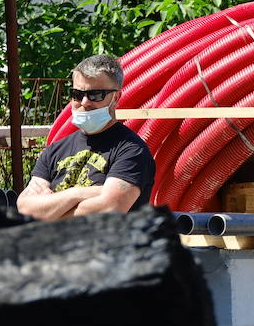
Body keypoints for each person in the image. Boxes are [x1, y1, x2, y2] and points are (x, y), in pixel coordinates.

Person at [17, 54, 154, 221]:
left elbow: (109, 210)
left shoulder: (131, 150)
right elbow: (25, 209)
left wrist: (49, 213)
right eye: (77, 94)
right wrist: (77, 193)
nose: (84, 102)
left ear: (116, 97)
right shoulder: (55, 150)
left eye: (95, 95)